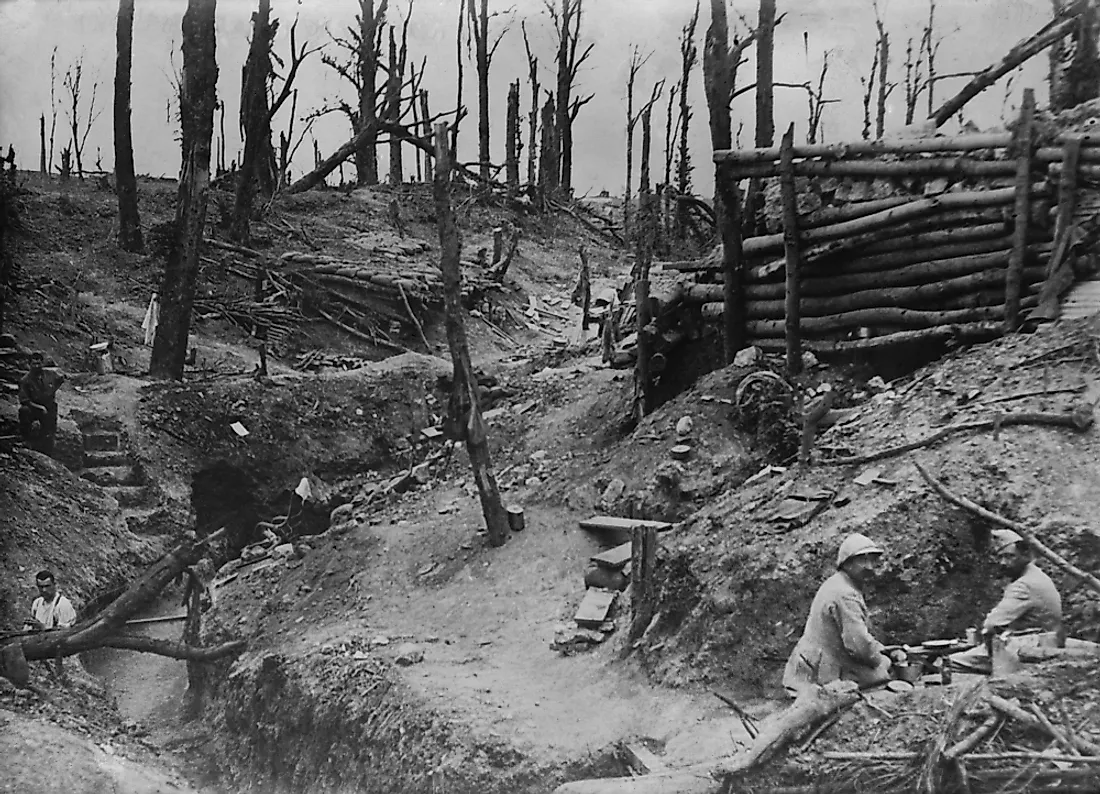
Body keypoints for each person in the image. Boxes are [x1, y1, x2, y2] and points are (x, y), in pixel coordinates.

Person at [782, 533, 892, 697]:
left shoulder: (839, 583)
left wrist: (882, 649)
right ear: (846, 563)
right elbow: (858, 646)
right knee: (885, 672)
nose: (869, 566)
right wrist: (881, 659)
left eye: (872, 560)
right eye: (862, 560)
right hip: (818, 675)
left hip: (809, 667)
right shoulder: (845, 594)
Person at [949, 529, 1063, 674]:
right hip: (1044, 642)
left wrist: (987, 645)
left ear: (1024, 554)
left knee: (949, 662)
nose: (1003, 563)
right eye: (1000, 557)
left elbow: (991, 624)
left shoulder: (1024, 585)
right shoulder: (1037, 575)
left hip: (1028, 648)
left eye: (1009, 556)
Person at [18, 352, 64, 455]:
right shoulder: (25, 380)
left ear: (42, 363)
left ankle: (48, 444)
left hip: (48, 406)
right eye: (34, 364)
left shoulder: (49, 374)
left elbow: (60, 379)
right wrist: (39, 407)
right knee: (23, 410)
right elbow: (24, 400)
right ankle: (27, 439)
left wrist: (52, 391)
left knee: (49, 428)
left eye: (39, 364)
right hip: (33, 408)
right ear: (29, 364)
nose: (37, 366)